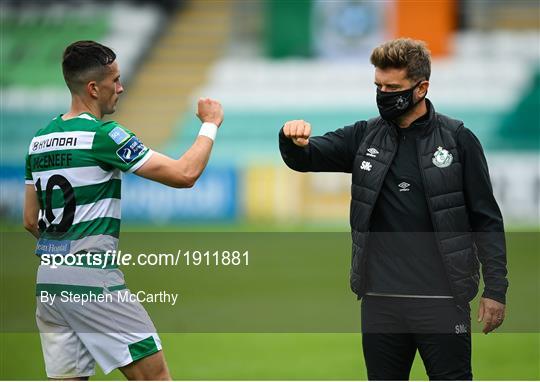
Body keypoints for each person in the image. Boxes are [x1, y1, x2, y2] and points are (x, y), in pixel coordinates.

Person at [278, 38, 508, 380]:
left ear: (421, 88)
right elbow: (306, 157)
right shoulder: (363, 136)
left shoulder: (458, 139)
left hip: (443, 300)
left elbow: (486, 219)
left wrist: (495, 290)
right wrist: (289, 137)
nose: (384, 94)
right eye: (378, 86)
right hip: (380, 301)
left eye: (393, 87)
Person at [23, 40, 224, 380]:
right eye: (114, 80)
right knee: (154, 376)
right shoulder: (103, 136)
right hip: (91, 279)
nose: (120, 87)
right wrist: (210, 123)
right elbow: (184, 174)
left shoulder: (39, 141)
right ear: (92, 87)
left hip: (49, 284)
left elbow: (30, 219)